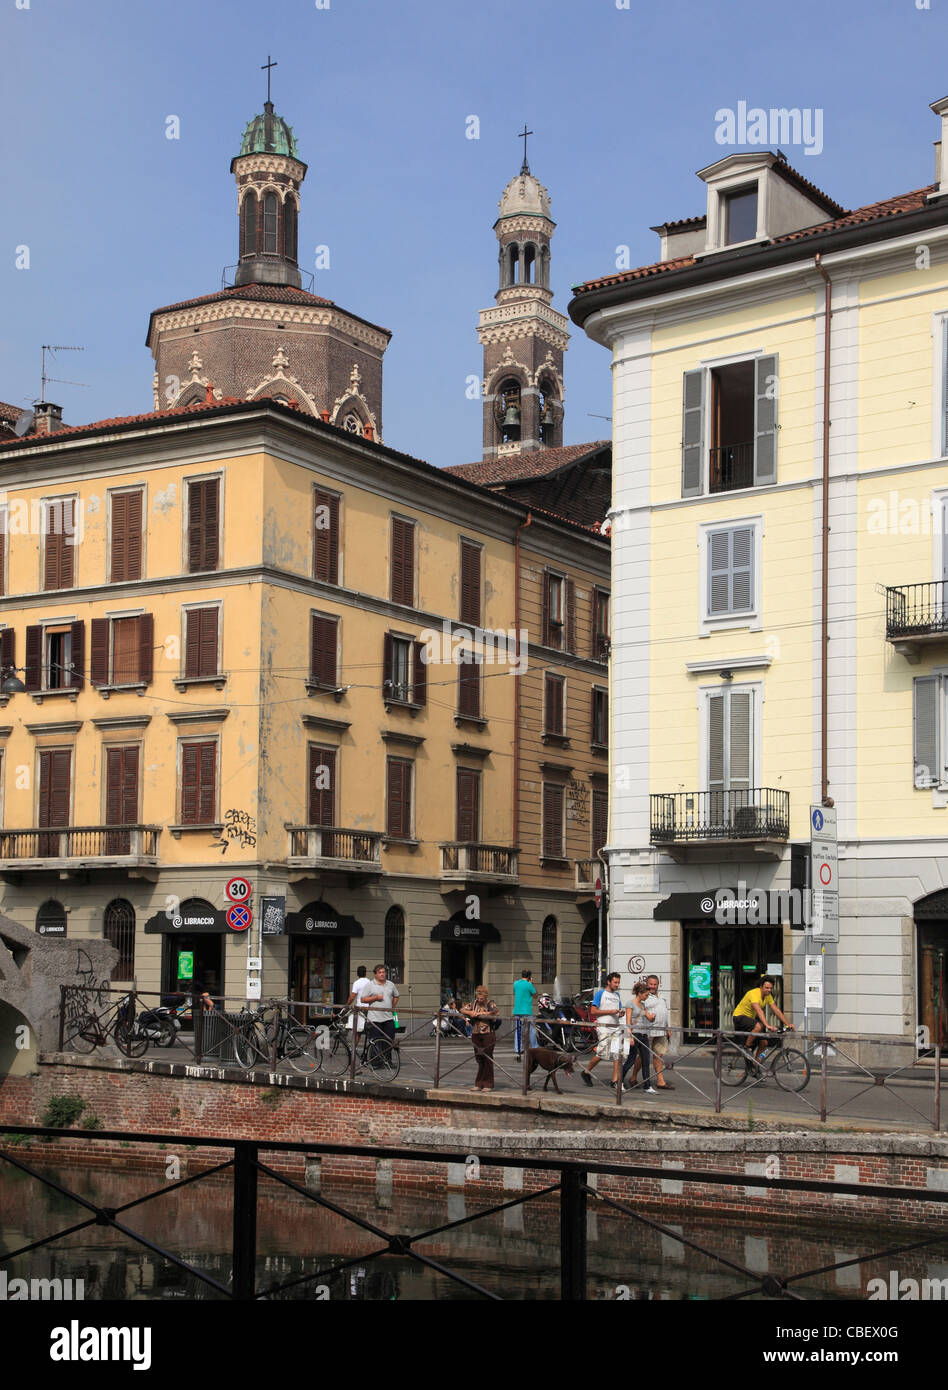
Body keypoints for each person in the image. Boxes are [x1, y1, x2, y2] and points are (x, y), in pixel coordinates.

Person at [627, 975, 674, 1091]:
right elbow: (637, 1010)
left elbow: (665, 1012)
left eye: (655, 984)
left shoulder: (662, 997)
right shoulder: (645, 996)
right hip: (648, 1030)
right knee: (642, 1057)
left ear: (658, 985)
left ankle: (660, 1081)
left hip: (661, 1030)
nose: (653, 986)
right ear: (647, 984)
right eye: (651, 984)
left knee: (659, 1055)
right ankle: (633, 1077)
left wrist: (667, 1028)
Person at [580, 972, 626, 1088]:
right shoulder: (601, 993)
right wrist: (610, 1012)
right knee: (602, 1053)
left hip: (615, 1027)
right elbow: (593, 1011)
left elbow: (617, 1011)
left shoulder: (617, 995)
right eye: (615, 982)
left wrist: (620, 1014)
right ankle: (586, 1071)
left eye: (618, 982)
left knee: (618, 1054)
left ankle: (615, 1080)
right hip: (603, 1027)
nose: (617, 984)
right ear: (609, 982)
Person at [732, 975, 794, 1058]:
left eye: (771, 988)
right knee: (758, 1026)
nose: (769, 990)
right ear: (761, 987)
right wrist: (767, 1025)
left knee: (764, 1043)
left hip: (750, 1020)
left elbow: (776, 1010)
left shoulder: (768, 996)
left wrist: (787, 1024)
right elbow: (759, 1010)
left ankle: (757, 1064)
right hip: (739, 1017)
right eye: (767, 988)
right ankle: (746, 1047)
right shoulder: (754, 994)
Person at [622, 982, 658, 1094]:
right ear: (639, 993)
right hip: (635, 1035)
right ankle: (619, 1082)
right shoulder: (630, 1004)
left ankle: (647, 1086)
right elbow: (628, 1022)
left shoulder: (642, 1005)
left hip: (644, 1035)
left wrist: (652, 1018)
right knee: (631, 1060)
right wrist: (630, 1036)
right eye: (646, 995)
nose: (647, 997)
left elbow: (649, 1018)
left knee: (646, 1061)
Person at [461, 985, 499, 1090]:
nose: (479, 1000)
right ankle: (479, 1083)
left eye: (481, 998)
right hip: (476, 1033)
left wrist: (483, 1013)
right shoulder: (474, 1003)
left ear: (486, 996)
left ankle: (488, 1084)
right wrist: (471, 1012)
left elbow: (495, 1011)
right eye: (478, 998)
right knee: (479, 1058)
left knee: (487, 1058)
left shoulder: (490, 1003)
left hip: (488, 1033)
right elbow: (462, 1009)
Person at [361, 963, 400, 1065]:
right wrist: (375, 998)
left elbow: (396, 995)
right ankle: (375, 1062)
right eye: (380, 972)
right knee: (376, 1041)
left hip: (388, 1017)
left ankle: (387, 1060)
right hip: (375, 1018)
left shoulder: (390, 984)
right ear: (375, 974)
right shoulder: (370, 985)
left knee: (389, 1039)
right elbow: (363, 999)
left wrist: (392, 1007)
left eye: (384, 972)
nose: (382, 974)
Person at [512, 969, 537, 1057]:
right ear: (529, 976)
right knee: (532, 1030)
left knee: (518, 1030)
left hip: (517, 1010)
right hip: (526, 1010)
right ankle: (534, 1048)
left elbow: (516, 992)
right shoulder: (529, 985)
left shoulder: (515, 983)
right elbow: (535, 996)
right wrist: (531, 983)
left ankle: (517, 1048)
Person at [345, 965, 370, 1032]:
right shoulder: (369, 982)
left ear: (357, 973)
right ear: (365, 973)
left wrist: (346, 1005)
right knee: (365, 1029)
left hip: (360, 1009)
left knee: (357, 1030)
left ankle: (354, 1042)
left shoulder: (357, 983)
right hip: (369, 1008)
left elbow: (352, 997)